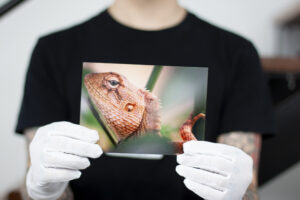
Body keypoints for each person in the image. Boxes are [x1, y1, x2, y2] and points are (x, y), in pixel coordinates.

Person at [16, 0, 275, 199]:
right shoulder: (53, 51)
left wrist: (239, 193)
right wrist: (44, 189)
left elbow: (247, 187)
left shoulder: (236, 54)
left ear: (130, 105)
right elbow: (37, 184)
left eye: (112, 84)